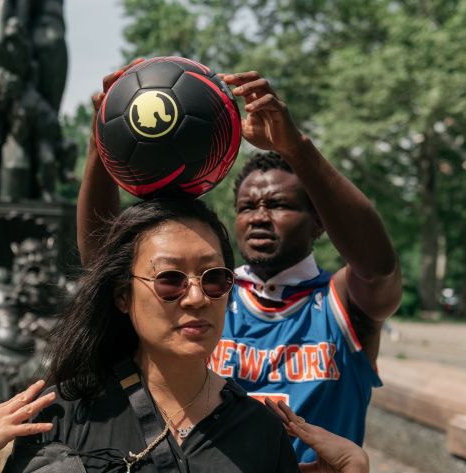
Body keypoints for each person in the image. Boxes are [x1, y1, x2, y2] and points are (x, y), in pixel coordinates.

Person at [77, 63, 402, 462]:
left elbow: (379, 269)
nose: (259, 216)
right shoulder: (208, 293)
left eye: (277, 204)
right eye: (247, 207)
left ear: (320, 221)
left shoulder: (340, 303)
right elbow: (104, 270)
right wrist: (103, 143)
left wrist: (296, 148)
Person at [0, 199, 370, 473]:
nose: (197, 297)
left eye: (215, 278)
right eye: (170, 280)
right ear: (124, 297)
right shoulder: (65, 415)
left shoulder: (259, 431)